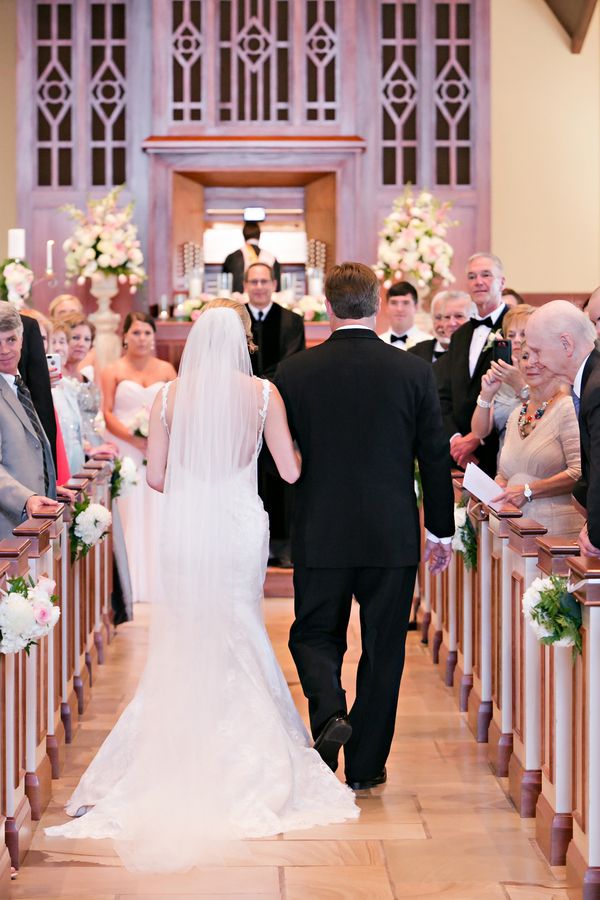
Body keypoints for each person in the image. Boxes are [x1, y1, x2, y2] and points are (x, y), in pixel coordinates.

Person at [45, 299, 358, 870]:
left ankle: (172, 752)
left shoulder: (170, 395)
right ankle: (254, 753)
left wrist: (198, 478)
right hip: (240, 521)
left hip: (188, 530)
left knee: (190, 628)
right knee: (239, 622)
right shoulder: (263, 394)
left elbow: (158, 477)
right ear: (244, 340)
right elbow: (289, 471)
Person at [274, 262, 455, 790]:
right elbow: (434, 457)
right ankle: (368, 764)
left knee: (313, 632)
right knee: (384, 646)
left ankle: (330, 715)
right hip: (390, 532)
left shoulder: (294, 372)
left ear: (328, 306)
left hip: (320, 531)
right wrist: (440, 531)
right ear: (377, 305)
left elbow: (279, 461)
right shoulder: (412, 371)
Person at [101, 312, 176, 604]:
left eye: (146, 332)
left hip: (159, 450)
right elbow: (107, 411)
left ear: (154, 336)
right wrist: (135, 439)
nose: (141, 338)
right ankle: (129, 581)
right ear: (125, 336)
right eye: (136, 332)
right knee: (128, 512)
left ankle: (160, 581)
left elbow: (176, 410)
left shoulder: (167, 370)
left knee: (159, 511)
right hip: (125, 450)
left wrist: (157, 440)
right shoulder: (112, 370)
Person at [526, 300, 600, 555]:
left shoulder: (597, 387)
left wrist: (596, 534)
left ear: (566, 343)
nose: (534, 361)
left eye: (537, 351)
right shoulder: (590, 381)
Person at [245, 262, 305, 566]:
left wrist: (261, 387)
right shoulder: (235, 318)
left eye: (263, 281)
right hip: (240, 409)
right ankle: (251, 544)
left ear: (273, 284)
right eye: (253, 281)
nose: (258, 286)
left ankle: (282, 547)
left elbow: (291, 362)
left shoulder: (292, 320)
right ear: (245, 284)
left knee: (280, 474)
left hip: (280, 406)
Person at [491, 343, 583, 536]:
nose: (531, 363)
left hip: (555, 535)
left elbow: (579, 472)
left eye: (539, 356)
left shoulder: (566, 408)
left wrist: (528, 490)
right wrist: (499, 486)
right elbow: (504, 473)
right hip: (515, 532)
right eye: (525, 357)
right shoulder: (517, 413)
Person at [437, 252, 509, 475]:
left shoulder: (513, 328)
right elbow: (445, 394)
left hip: (500, 450)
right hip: (460, 457)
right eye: (471, 276)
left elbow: (515, 390)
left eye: (486, 275)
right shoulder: (459, 336)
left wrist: (476, 438)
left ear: (502, 282)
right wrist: (456, 439)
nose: (478, 282)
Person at [0, 304, 60, 539]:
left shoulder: (18, 385)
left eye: (11, 340)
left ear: (22, 340)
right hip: (8, 529)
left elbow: (28, 450)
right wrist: (26, 498)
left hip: (31, 527)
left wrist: (49, 487)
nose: (4, 350)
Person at [470, 304, 534, 447]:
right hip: (504, 464)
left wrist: (520, 385)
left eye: (523, 334)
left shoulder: (548, 373)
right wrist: (486, 394)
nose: (517, 339)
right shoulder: (500, 376)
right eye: (511, 335)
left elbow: (542, 422)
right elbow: (479, 432)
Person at [49, 319, 86, 476]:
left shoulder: (69, 386)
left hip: (76, 463)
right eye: (53, 342)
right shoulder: (43, 386)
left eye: (62, 341)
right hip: (58, 467)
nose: (58, 348)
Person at [409, 290, 473, 364]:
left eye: (459, 316)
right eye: (439, 317)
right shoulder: (414, 353)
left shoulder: (477, 353)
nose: (451, 323)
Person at [222, 220, 281, 294]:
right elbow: (278, 291)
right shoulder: (271, 258)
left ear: (243, 235)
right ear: (259, 235)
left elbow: (224, 289)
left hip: (238, 304)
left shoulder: (231, 257)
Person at [378, 281, 431, 348]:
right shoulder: (377, 343)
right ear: (386, 307)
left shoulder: (429, 344)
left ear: (416, 307)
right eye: (394, 303)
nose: (399, 309)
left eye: (406, 303)